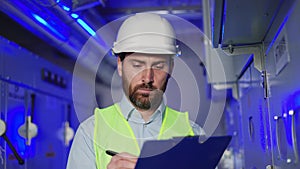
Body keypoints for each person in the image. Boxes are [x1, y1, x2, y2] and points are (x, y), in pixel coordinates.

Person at [66, 13, 205, 169]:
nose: (147, 78)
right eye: (137, 65)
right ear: (120, 65)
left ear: (171, 68)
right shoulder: (90, 133)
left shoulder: (193, 133)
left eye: (158, 66)